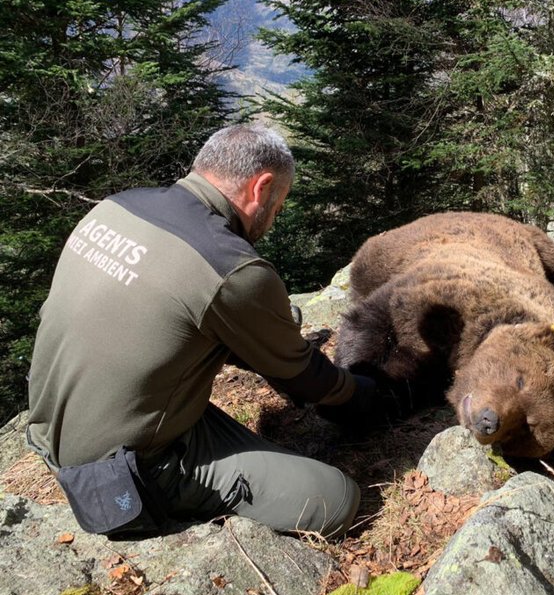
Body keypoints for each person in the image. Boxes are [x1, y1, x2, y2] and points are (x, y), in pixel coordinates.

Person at [27, 123, 374, 537]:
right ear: (261, 188)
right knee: (334, 498)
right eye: (279, 206)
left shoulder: (116, 206)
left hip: (53, 424)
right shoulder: (230, 266)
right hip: (123, 470)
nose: (274, 220)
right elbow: (303, 377)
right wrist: (367, 394)